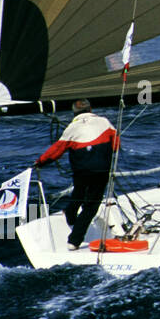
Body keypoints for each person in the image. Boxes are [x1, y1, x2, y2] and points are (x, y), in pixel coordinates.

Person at [35, 99, 118, 250]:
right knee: (91, 206)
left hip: (81, 171)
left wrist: (39, 162)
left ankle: (70, 216)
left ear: (74, 113)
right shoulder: (105, 122)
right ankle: (74, 241)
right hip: (101, 170)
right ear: (91, 109)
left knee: (78, 194)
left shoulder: (71, 128)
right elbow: (116, 145)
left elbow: (56, 151)